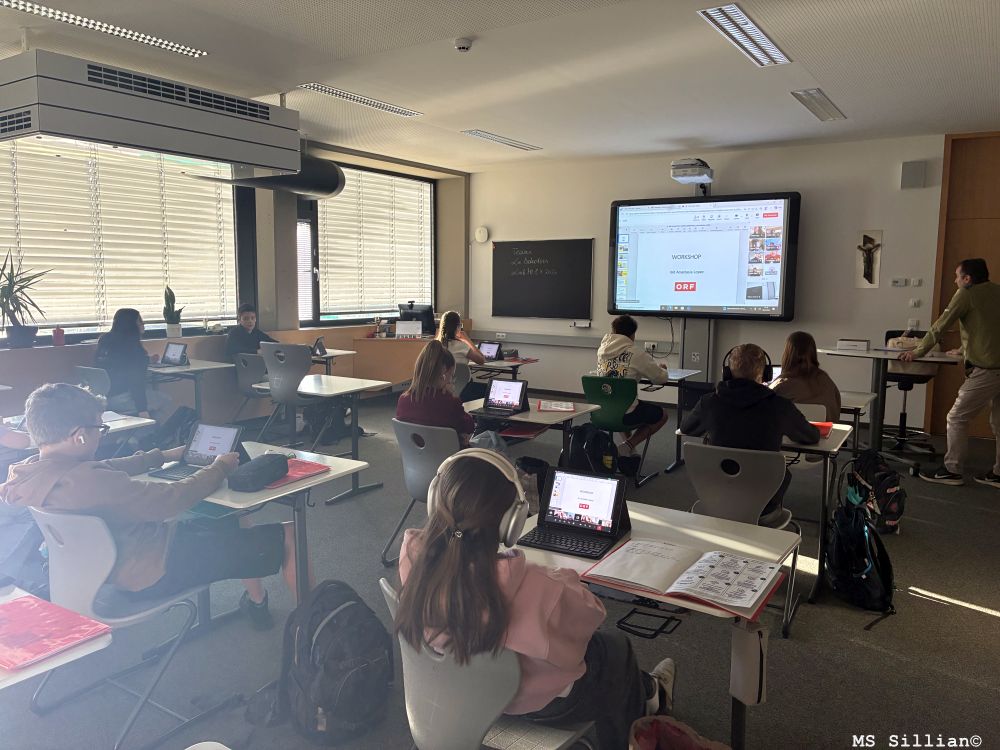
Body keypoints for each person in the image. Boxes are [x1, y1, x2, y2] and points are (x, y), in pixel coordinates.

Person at [396, 450, 675, 748]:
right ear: (512, 522)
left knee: (606, 654)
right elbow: (591, 617)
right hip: (537, 707)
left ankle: (648, 690)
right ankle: (643, 707)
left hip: (455, 691)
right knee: (614, 646)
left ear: (434, 499)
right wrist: (562, 579)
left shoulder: (412, 556)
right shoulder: (540, 587)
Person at [0, 383, 305, 629]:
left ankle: (256, 602)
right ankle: (312, 632)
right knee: (290, 533)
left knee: (232, 515)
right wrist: (219, 467)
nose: (100, 435)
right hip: (153, 572)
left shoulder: (32, 472)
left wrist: (163, 456)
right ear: (79, 437)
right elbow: (171, 499)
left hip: (103, 570)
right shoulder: (90, 483)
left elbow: (105, 467)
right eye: (99, 429)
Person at [681, 343, 819, 525]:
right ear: (766, 374)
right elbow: (811, 436)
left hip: (716, 499)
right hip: (764, 507)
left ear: (727, 372)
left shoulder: (709, 403)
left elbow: (686, 428)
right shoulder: (780, 406)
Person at [898, 258, 1000, 487]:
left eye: (957, 276)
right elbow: (988, 328)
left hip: (987, 370)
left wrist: (917, 351)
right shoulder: (996, 291)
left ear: (967, 279)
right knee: (999, 423)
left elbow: (940, 326)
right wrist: (964, 349)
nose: (955, 281)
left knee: (956, 417)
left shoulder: (966, 294)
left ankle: (952, 470)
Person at [596, 315, 670, 456]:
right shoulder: (636, 353)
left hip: (603, 410)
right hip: (626, 413)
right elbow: (660, 379)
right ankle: (628, 445)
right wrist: (663, 369)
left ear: (613, 331)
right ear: (632, 334)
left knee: (622, 404)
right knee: (663, 414)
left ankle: (629, 450)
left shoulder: (601, 352)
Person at [95, 308, 173, 421]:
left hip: (104, 398)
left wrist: (146, 360)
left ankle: (143, 428)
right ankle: (148, 430)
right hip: (123, 398)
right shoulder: (134, 349)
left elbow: (120, 362)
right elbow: (136, 382)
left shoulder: (105, 340)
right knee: (165, 400)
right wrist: (142, 409)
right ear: (131, 325)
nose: (143, 324)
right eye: (140, 321)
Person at [396, 340, 474, 447]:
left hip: (413, 456)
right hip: (450, 456)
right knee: (489, 439)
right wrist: (451, 395)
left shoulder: (403, 399)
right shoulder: (450, 402)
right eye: (451, 375)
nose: (451, 380)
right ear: (444, 373)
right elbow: (469, 427)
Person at [771, 331, 842, 421]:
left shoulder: (780, 385)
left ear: (787, 354)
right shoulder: (827, 382)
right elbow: (835, 413)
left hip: (787, 430)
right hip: (822, 430)